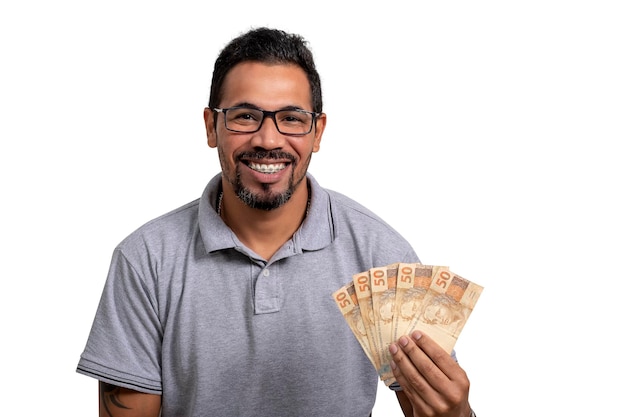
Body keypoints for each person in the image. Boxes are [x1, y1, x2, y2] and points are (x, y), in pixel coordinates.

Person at [77, 27, 475, 417]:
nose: (268, 139)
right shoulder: (145, 260)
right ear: (210, 126)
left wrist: (458, 414)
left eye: (291, 118)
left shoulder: (382, 256)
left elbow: (433, 407)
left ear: (317, 132)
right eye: (245, 116)